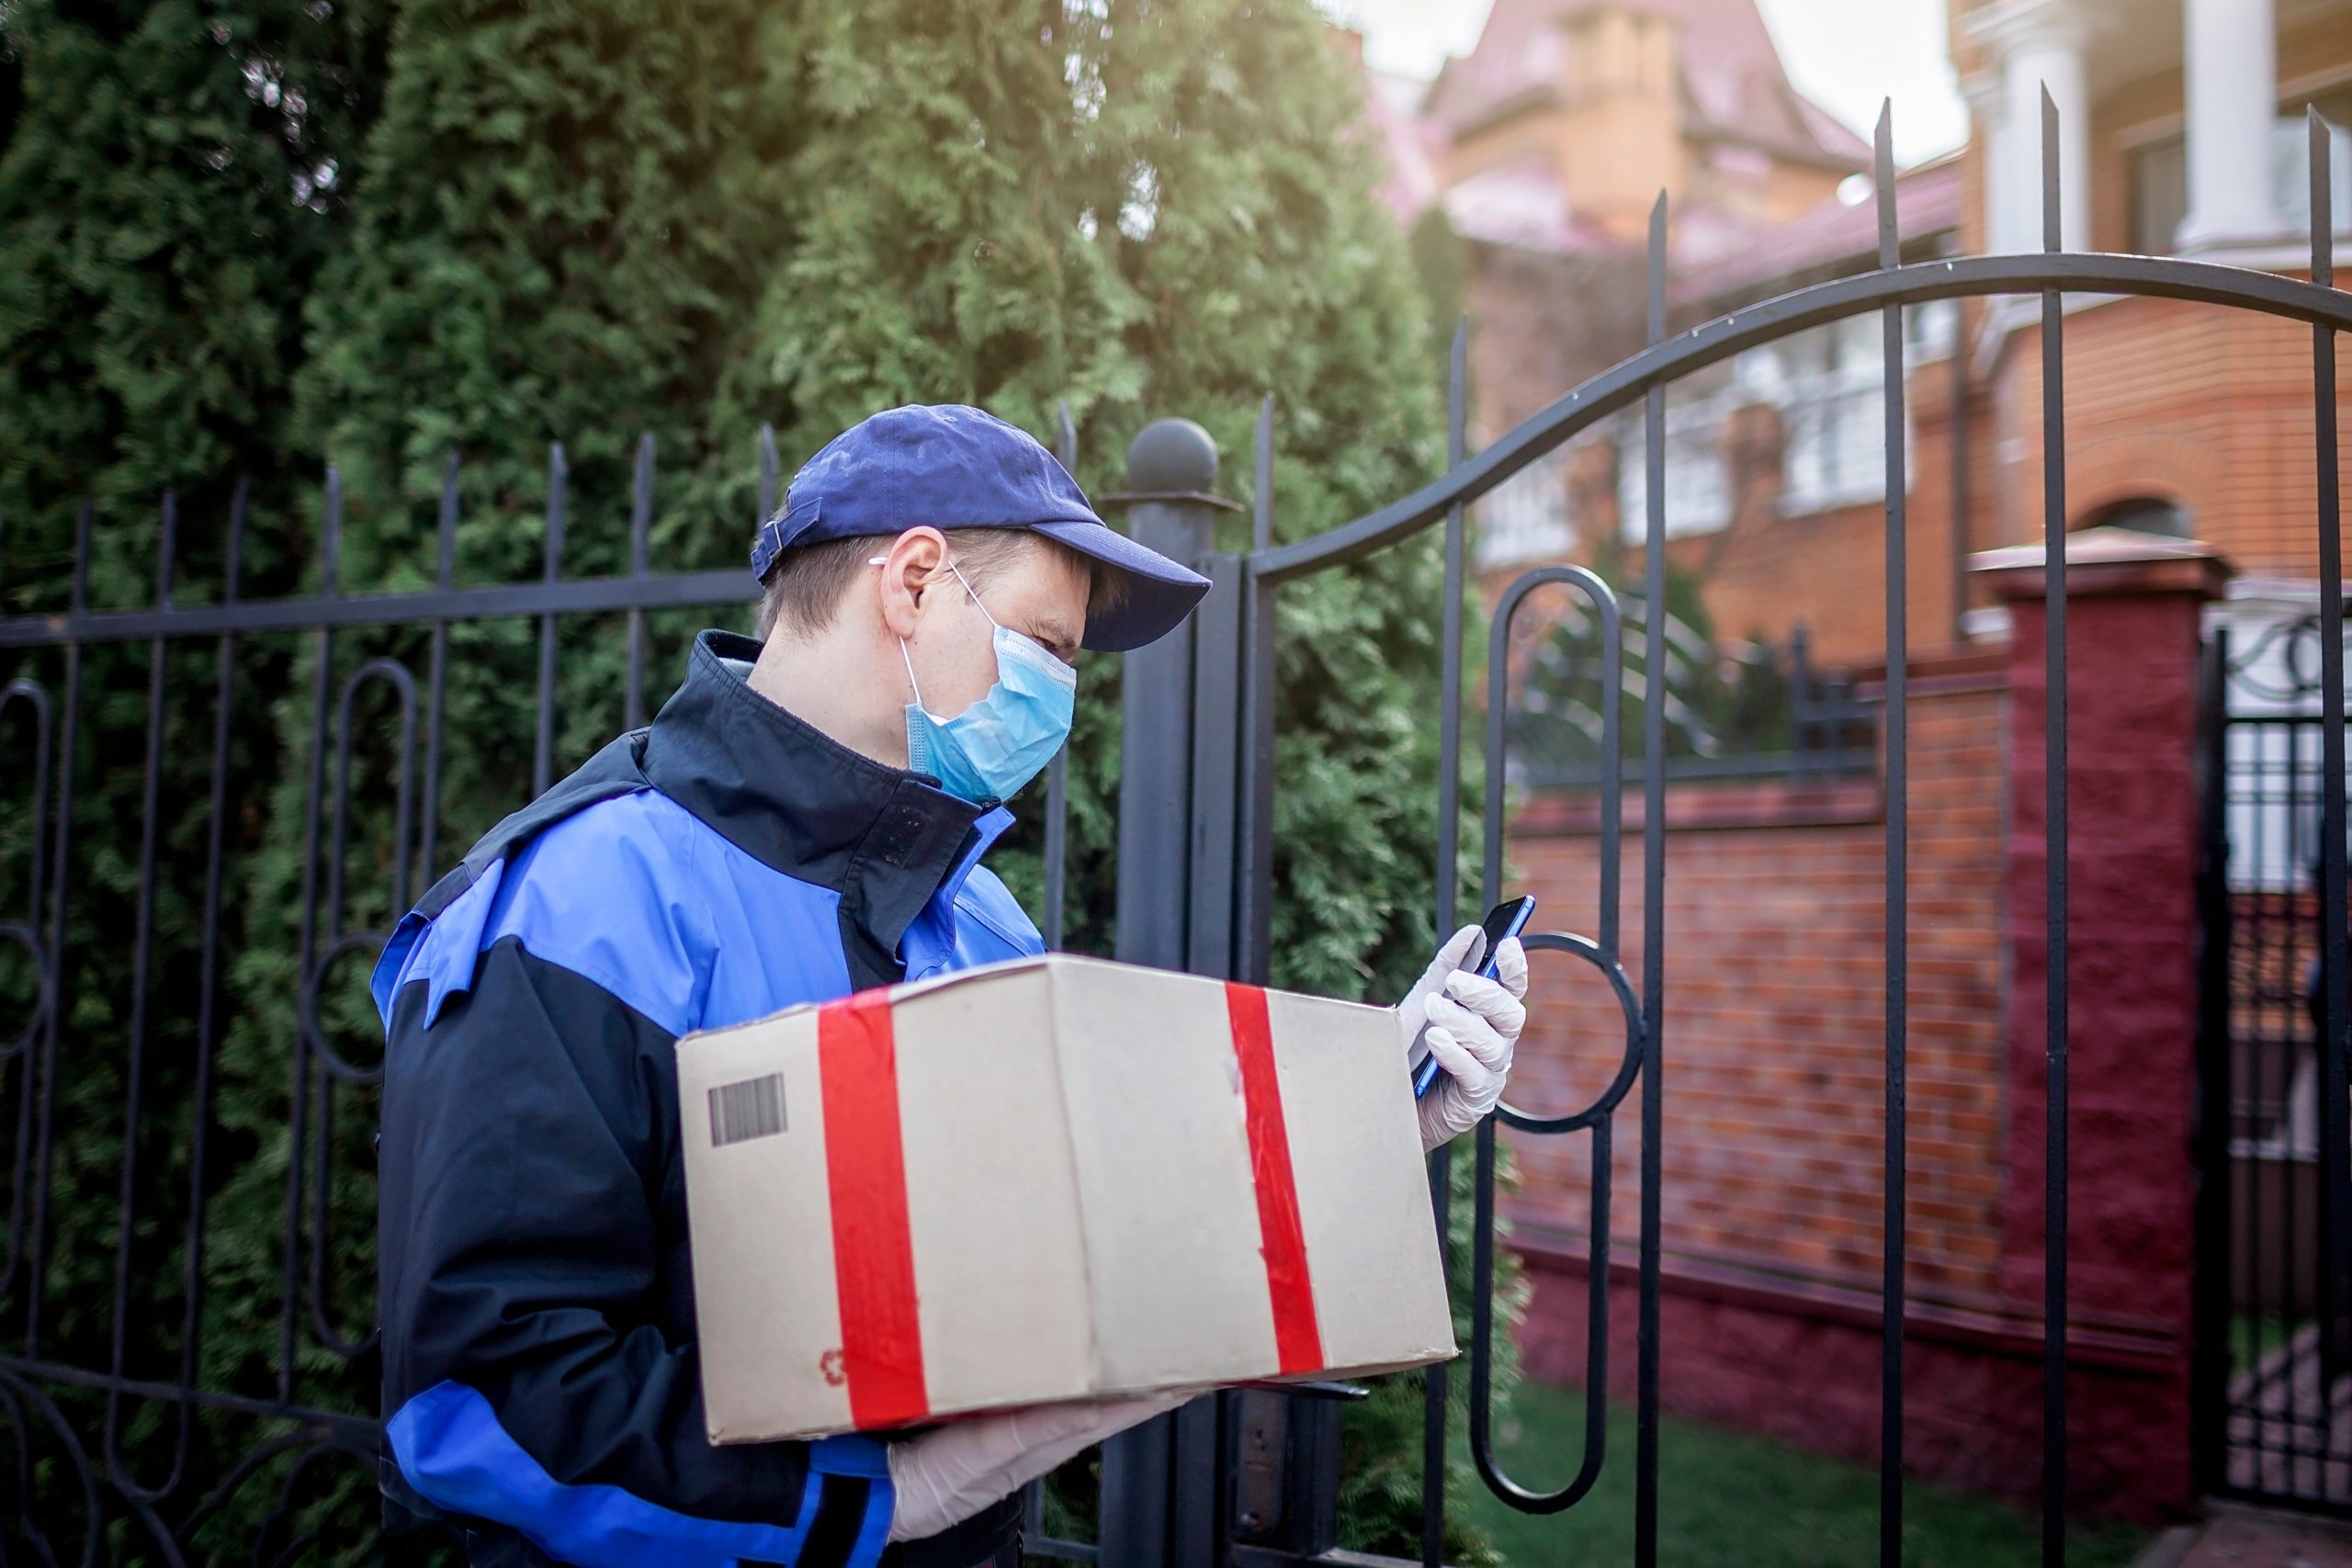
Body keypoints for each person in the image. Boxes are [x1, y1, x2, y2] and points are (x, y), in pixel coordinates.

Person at [371, 404, 1532, 1568]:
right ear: (915, 581)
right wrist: (884, 1497)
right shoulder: (578, 901)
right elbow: (481, 1396)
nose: (1062, 698)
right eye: (1051, 645)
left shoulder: (973, 911)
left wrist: (1378, 1118)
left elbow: (1105, 1225)